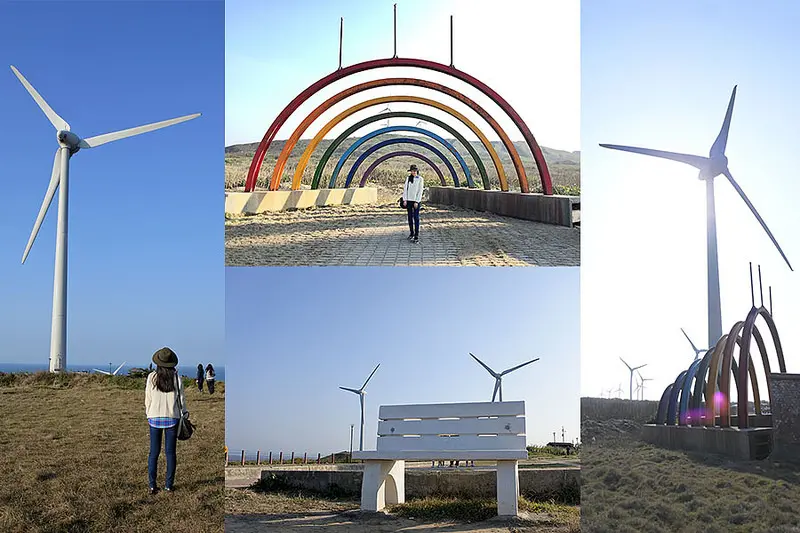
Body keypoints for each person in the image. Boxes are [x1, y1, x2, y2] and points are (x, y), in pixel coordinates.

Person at [145, 347, 189, 494]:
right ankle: (168, 485)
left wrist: (149, 414)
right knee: (170, 453)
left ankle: (152, 485)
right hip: (172, 418)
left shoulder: (151, 377)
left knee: (153, 453)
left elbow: (148, 399)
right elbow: (181, 399)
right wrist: (184, 413)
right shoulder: (176, 378)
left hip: (154, 418)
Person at [401, 164, 424, 243]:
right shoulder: (408, 178)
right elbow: (405, 189)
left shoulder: (420, 179)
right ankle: (411, 233)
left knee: (416, 218)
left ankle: (416, 235)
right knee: (410, 217)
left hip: (415, 201)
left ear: (417, 171)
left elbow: (420, 191)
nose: (413, 172)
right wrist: (405, 199)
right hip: (408, 200)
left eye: (414, 171)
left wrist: (417, 201)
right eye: (412, 171)